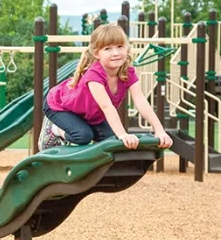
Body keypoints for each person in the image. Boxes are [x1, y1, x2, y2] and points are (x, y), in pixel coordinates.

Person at [38, 24, 173, 151]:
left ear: (127, 48)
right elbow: (107, 106)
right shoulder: (94, 75)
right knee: (83, 136)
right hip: (60, 106)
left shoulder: (127, 72)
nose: (115, 53)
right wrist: (123, 134)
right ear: (97, 54)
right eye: (108, 49)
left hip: (88, 114)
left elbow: (141, 101)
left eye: (120, 46)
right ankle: (54, 129)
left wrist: (159, 129)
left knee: (111, 140)